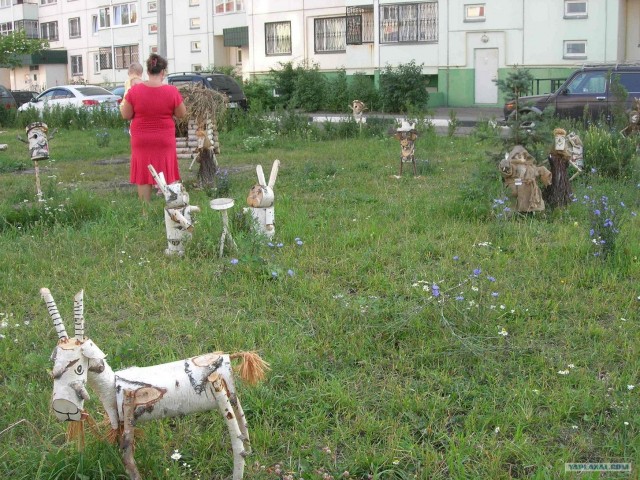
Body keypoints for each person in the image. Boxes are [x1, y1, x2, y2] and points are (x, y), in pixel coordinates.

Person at [120, 54, 187, 204]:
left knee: (144, 173)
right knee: (168, 170)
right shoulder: (171, 91)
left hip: (141, 139)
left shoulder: (135, 91)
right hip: (164, 139)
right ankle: (173, 207)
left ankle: (146, 211)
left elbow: (126, 114)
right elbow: (182, 114)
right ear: (163, 72)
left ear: (148, 71)